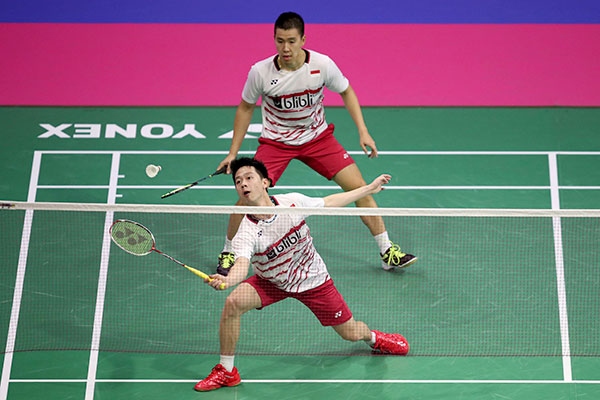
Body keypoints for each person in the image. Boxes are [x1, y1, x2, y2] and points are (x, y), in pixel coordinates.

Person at [215, 11, 416, 276]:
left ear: (303, 40)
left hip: (317, 139)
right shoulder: (260, 72)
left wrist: (363, 131)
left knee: (360, 188)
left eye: (291, 41)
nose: (285, 48)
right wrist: (233, 153)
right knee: (246, 196)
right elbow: (245, 108)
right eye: (280, 41)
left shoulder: (321, 64)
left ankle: (387, 251)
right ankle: (229, 251)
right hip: (276, 143)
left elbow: (346, 91)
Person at [194, 157, 410, 392]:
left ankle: (374, 338)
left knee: (351, 333)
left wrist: (368, 189)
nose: (243, 184)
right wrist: (228, 280)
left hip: (313, 280)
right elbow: (241, 265)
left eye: (249, 178)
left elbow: (329, 202)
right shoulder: (245, 231)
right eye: (238, 181)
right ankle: (227, 371)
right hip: (271, 281)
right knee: (233, 303)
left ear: (265, 182)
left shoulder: (292, 203)